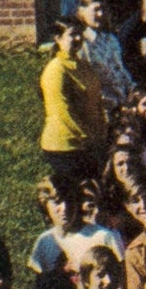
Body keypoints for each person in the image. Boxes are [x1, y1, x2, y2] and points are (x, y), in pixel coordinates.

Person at [39, 19, 107, 188]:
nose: (77, 39)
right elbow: (62, 111)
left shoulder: (83, 65)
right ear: (58, 38)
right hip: (65, 146)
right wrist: (88, 138)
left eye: (79, 34)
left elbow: (96, 100)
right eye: (72, 34)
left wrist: (102, 132)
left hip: (90, 143)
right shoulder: (56, 69)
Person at [75, 0, 138, 120]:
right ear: (81, 10)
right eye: (96, 10)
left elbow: (120, 70)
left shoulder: (111, 40)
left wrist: (134, 91)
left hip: (122, 106)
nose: (101, 14)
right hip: (99, 110)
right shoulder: (80, 44)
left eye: (103, 9)